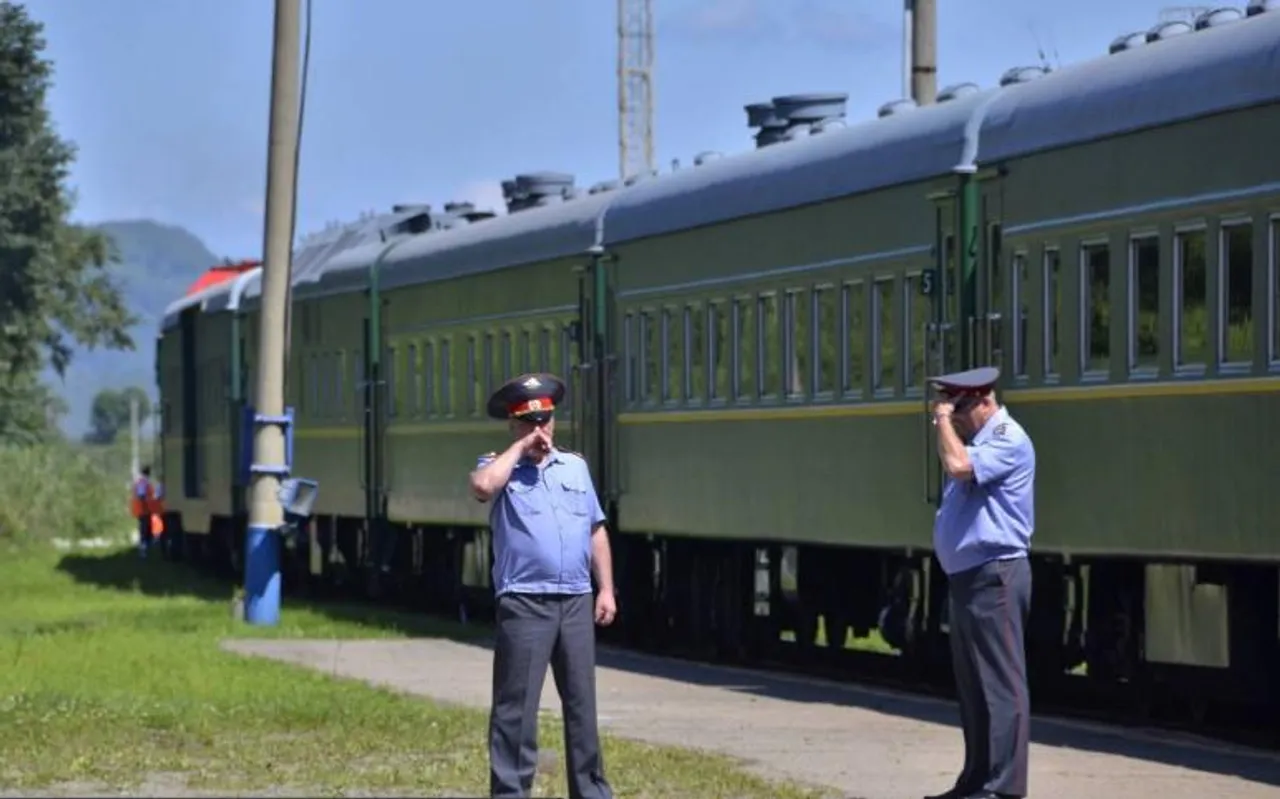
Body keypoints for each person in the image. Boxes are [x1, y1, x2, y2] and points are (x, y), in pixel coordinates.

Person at [468, 372, 617, 799]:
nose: (540, 430)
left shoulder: (575, 467)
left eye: (545, 421)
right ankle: (511, 792)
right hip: (525, 601)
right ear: (513, 426)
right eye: (529, 423)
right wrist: (518, 451)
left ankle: (591, 791)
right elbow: (481, 487)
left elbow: (595, 530)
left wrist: (605, 588)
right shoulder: (498, 467)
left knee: (582, 708)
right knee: (516, 710)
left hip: (574, 598)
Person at [924, 366, 1036, 799]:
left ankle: (1004, 788)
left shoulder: (1009, 439)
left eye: (960, 408)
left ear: (984, 401)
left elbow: (957, 466)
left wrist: (941, 422)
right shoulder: (978, 441)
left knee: (1001, 685)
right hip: (970, 578)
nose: (954, 417)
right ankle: (975, 780)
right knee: (973, 689)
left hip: (997, 576)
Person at [131, 465, 158, 559]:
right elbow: (141, 495)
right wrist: (147, 506)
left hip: (144, 510)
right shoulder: (143, 482)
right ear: (148, 472)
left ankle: (146, 549)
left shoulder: (142, 481)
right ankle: (143, 550)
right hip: (144, 510)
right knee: (144, 530)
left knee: (147, 529)